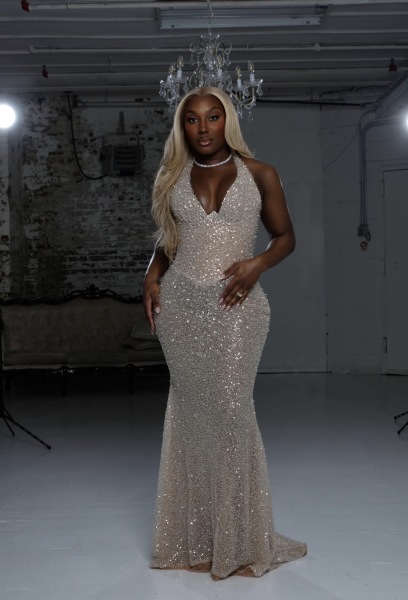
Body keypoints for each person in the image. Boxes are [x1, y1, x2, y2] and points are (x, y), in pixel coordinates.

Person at [143, 86, 306, 581]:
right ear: (183, 127)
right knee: (191, 416)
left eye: (213, 117)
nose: (203, 128)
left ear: (227, 121)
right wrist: (150, 275)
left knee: (232, 413)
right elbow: (168, 243)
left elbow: (285, 237)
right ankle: (194, 539)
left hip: (237, 305)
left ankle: (239, 540)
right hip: (180, 307)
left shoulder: (261, 173)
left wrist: (257, 265)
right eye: (192, 119)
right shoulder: (172, 177)